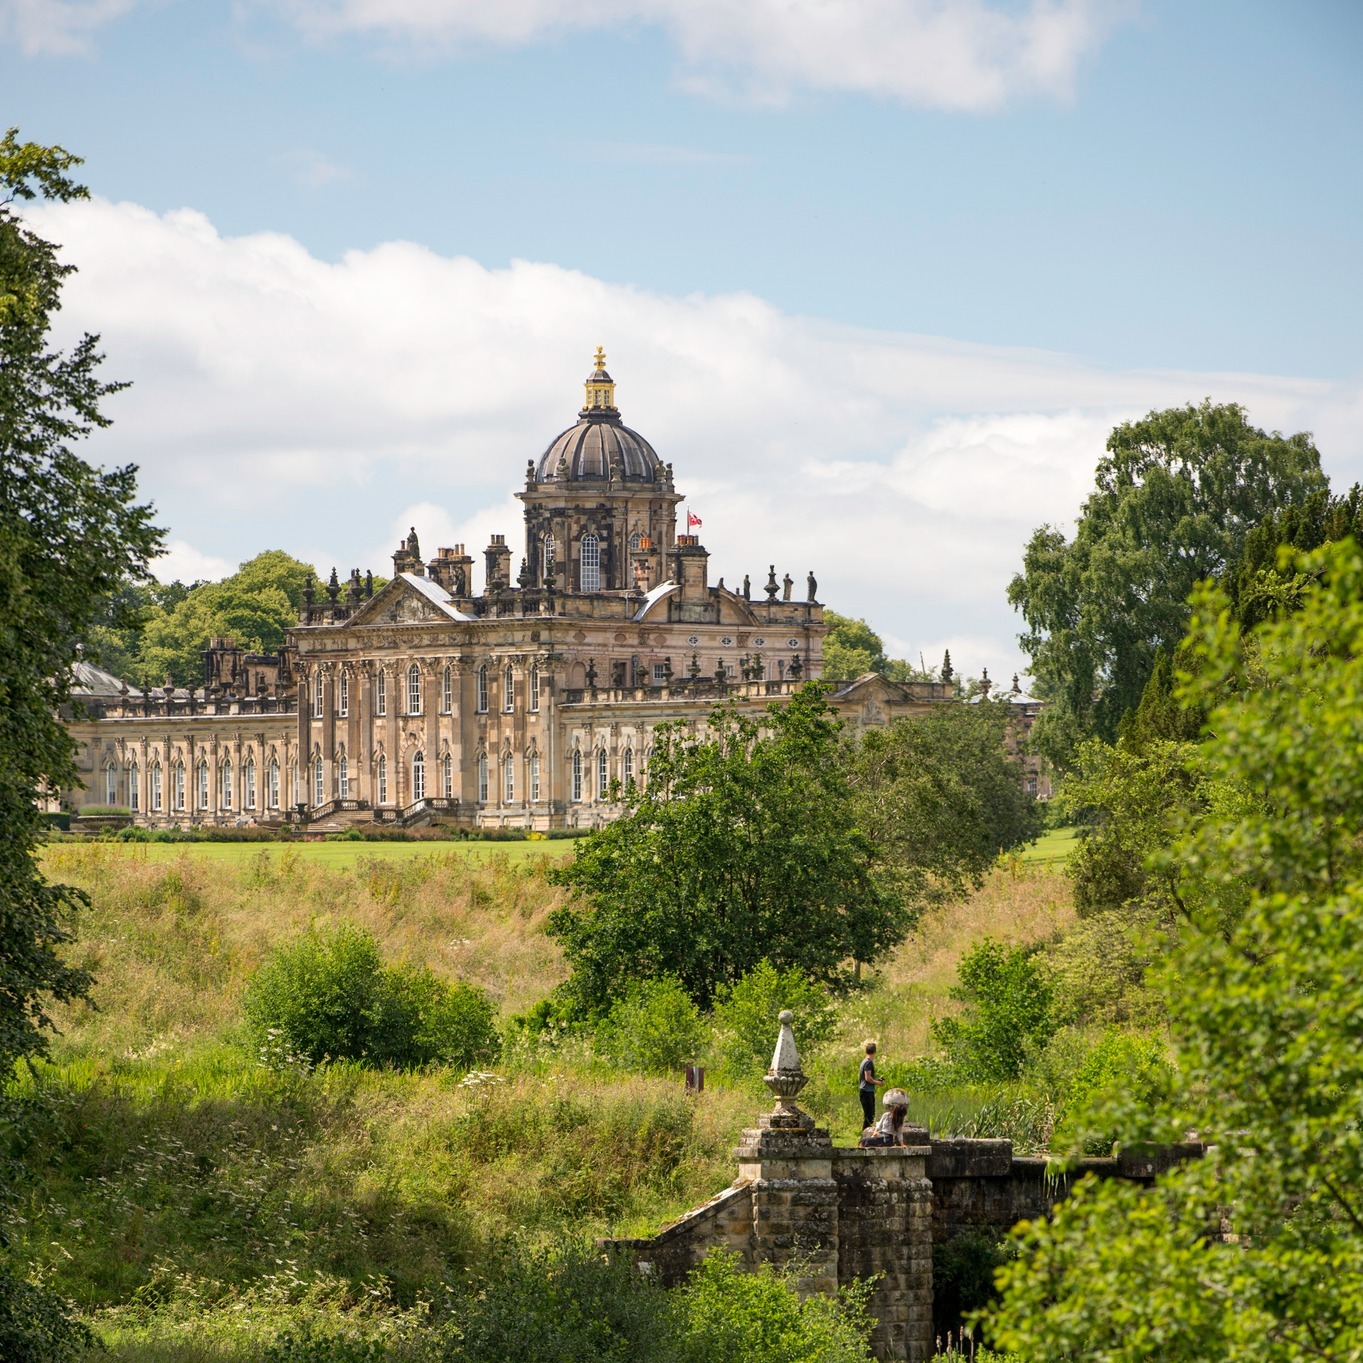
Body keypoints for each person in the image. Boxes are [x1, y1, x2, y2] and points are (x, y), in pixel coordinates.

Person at [858, 1041, 884, 1131]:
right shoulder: (868, 1063)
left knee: (869, 1115)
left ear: (866, 1051)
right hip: (866, 1092)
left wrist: (876, 1080)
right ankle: (865, 1136)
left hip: (865, 1091)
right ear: (874, 1052)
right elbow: (868, 1078)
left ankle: (865, 1136)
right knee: (869, 1116)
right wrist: (878, 1083)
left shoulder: (864, 1061)